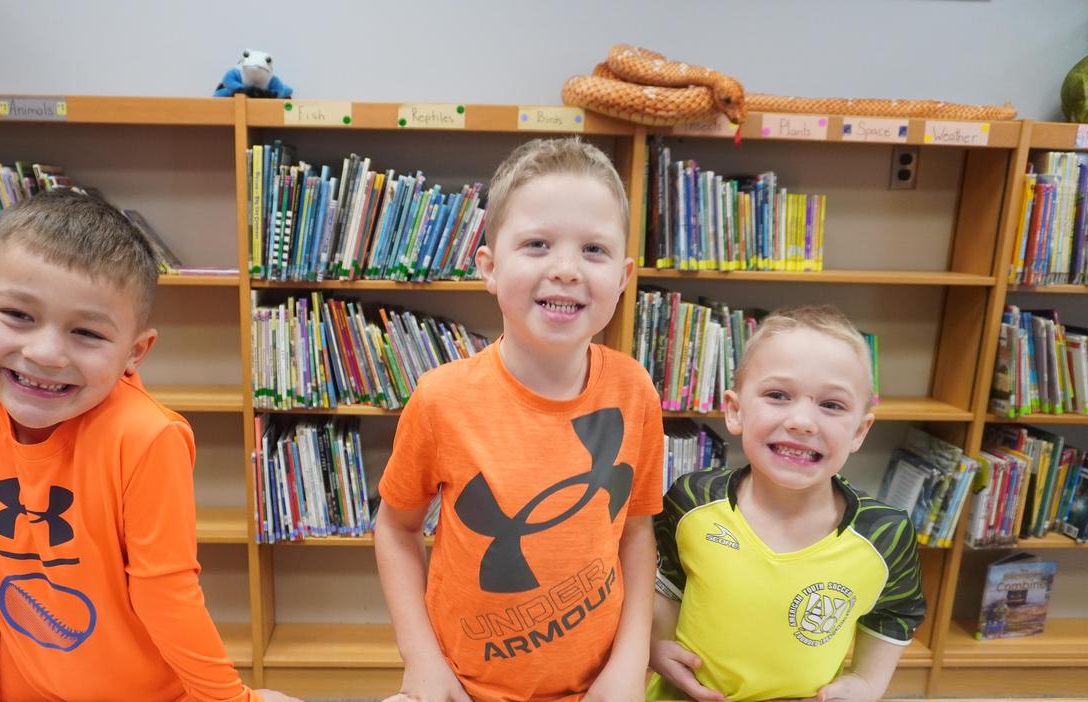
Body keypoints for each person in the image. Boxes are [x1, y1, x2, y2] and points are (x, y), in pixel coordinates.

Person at [0, 190, 298, 702]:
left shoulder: (148, 438)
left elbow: (166, 594)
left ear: (135, 352)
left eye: (86, 332)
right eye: (18, 315)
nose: (45, 354)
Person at [374, 137, 663, 702]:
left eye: (594, 251)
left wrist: (629, 666)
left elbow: (635, 531)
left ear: (625, 276)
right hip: (461, 686)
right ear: (489, 267)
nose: (566, 270)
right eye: (537, 244)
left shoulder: (634, 391)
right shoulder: (441, 400)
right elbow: (395, 527)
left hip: (598, 689)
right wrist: (422, 663)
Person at [648, 305, 926, 702]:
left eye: (831, 405)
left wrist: (867, 681)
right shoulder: (690, 500)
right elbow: (665, 580)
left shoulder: (885, 533)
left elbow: (898, 612)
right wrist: (656, 646)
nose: (802, 421)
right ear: (735, 409)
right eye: (778, 395)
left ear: (859, 431)